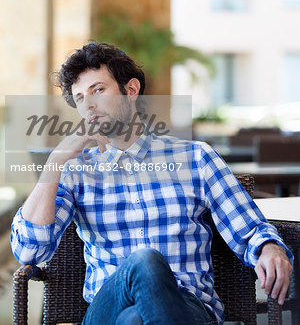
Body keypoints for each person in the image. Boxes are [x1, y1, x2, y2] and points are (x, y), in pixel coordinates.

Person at [11, 43, 293, 325]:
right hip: (106, 310)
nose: (89, 105)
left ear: (131, 90)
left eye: (98, 90)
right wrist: (55, 163)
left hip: (189, 307)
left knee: (134, 319)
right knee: (144, 262)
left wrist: (270, 248)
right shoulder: (75, 171)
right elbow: (30, 251)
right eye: (80, 97)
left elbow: (251, 229)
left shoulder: (196, 158)